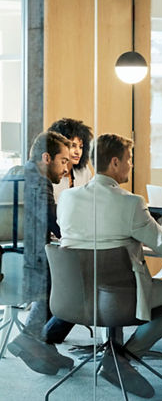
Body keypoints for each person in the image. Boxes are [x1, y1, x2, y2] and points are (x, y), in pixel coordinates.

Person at [54, 133, 162, 398]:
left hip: (74, 299)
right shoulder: (131, 202)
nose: (130, 165)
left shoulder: (67, 198)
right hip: (117, 299)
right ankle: (121, 359)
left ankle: (117, 355)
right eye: (129, 160)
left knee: (114, 282)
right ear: (114, 163)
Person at [8, 131, 74, 375]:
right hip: (30, 264)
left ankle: (43, 347)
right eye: (64, 160)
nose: (66, 168)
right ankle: (32, 338)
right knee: (76, 281)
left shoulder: (14, 174)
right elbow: (54, 220)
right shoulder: (38, 180)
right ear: (47, 158)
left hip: (10, 259)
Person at [48, 118, 93, 202]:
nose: (78, 152)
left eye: (81, 147)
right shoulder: (49, 174)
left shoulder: (85, 171)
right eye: (73, 146)